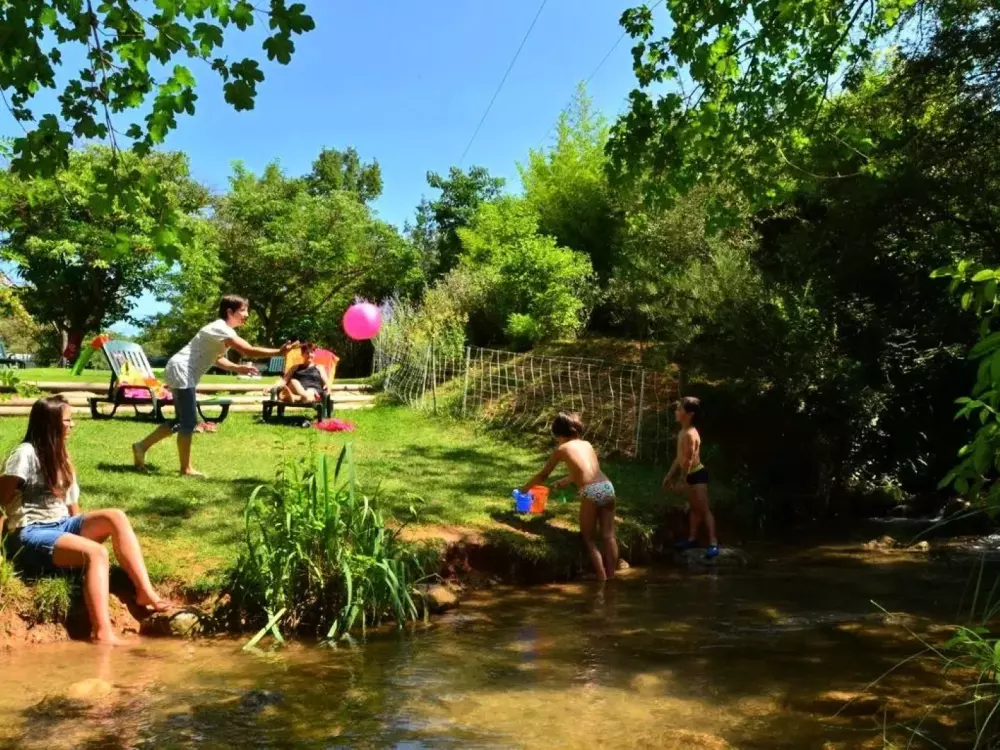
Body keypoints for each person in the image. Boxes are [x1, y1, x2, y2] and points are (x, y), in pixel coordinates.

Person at [0, 396, 169, 644]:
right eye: (68, 420)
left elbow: (72, 505)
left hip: (61, 526)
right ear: (50, 423)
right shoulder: (24, 454)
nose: (72, 425)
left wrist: (77, 534)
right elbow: (2, 498)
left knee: (115, 516)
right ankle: (103, 632)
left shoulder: (61, 454)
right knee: (96, 553)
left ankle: (145, 591)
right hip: (29, 533)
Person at [132, 295, 297, 476]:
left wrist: (237, 368)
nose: (247, 315)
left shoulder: (223, 331)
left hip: (180, 370)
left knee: (182, 421)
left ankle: (141, 446)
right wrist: (279, 352)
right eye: (243, 310)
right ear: (230, 312)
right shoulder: (220, 328)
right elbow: (247, 350)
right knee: (188, 422)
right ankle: (185, 469)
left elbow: (217, 358)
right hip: (181, 370)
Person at [520, 412, 619, 581]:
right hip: (607, 486)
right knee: (608, 535)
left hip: (591, 490)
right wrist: (568, 479)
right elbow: (590, 470)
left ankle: (602, 579)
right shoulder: (587, 444)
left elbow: (543, 475)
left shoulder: (562, 449)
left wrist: (524, 489)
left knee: (588, 538)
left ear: (559, 435)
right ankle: (612, 577)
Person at [663, 396, 719, 559]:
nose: (676, 411)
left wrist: (682, 480)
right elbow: (678, 458)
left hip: (697, 474)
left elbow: (689, 459)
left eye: (679, 409)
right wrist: (669, 476)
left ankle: (713, 541)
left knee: (704, 509)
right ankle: (692, 539)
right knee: (694, 509)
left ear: (689, 414)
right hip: (688, 474)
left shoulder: (690, 434)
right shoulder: (682, 432)